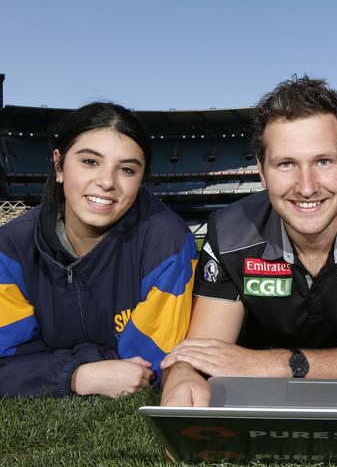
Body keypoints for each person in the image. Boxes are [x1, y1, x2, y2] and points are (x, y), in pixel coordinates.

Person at [161, 76, 337, 406]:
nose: (306, 186)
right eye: (286, 164)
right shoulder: (229, 230)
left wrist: (276, 365)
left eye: (323, 161)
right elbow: (204, 351)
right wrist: (184, 374)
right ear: (262, 172)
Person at [0, 102, 196, 398]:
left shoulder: (167, 243)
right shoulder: (9, 247)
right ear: (59, 165)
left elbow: (147, 363)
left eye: (127, 169)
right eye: (90, 161)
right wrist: (78, 375)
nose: (107, 182)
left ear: (141, 179)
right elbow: (5, 360)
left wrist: (45, 363)